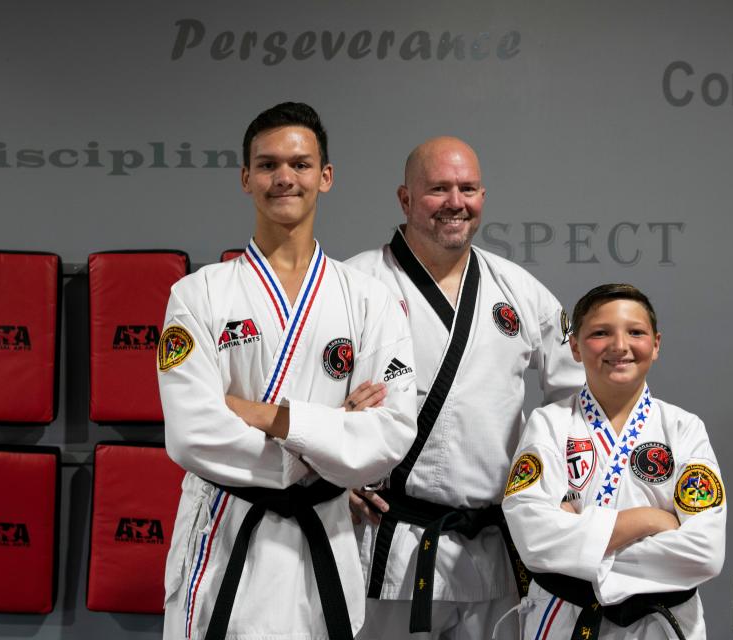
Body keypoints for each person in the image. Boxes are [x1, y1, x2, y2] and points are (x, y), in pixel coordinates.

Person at [157, 102, 418, 640]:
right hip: (226, 534)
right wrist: (327, 436)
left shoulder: (369, 300)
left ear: (325, 177)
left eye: (300, 165)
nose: (284, 178)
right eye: (268, 164)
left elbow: (390, 434)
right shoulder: (198, 294)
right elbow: (191, 433)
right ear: (245, 178)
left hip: (324, 534)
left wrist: (262, 415)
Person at [346, 136, 583, 639]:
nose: (456, 202)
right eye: (438, 189)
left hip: (492, 549)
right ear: (405, 199)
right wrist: (327, 481)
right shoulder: (354, 284)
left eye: (468, 188)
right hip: (391, 547)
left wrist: (561, 485)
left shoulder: (517, 288)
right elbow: (302, 399)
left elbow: (578, 396)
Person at [502, 284, 725, 639]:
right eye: (600, 333)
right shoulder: (548, 424)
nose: (619, 346)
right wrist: (648, 520)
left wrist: (579, 545)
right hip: (564, 620)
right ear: (574, 346)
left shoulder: (683, 428)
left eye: (636, 332)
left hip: (661, 624)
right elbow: (534, 539)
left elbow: (705, 551)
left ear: (656, 345)